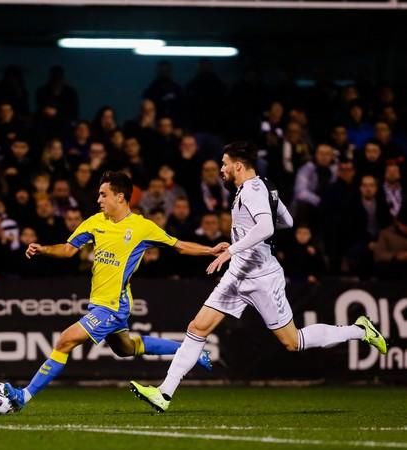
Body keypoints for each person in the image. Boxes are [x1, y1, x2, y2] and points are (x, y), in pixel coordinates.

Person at [128, 141, 387, 413]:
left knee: (292, 341)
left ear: (238, 166)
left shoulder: (252, 190)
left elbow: (265, 226)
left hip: (262, 277)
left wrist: (234, 249)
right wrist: (242, 244)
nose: (222, 170)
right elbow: (286, 221)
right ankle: (163, 393)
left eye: (225, 164)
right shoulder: (266, 186)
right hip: (238, 273)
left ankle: (359, 330)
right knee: (197, 327)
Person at [2, 171, 225, 411]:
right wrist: (43, 249)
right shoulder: (95, 222)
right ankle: (190, 352)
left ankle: (23, 396)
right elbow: (68, 249)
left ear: (120, 197)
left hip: (114, 304)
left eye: (103, 194)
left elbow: (179, 246)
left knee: (65, 341)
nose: (99, 200)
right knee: (125, 348)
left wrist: (211, 251)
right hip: (98, 302)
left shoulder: (142, 227)